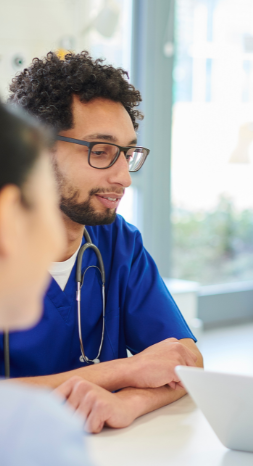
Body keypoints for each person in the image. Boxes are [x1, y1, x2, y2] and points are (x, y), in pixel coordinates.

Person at [3, 51, 202, 433]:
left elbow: (187, 358)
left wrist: (128, 402)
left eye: (127, 153)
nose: (124, 178)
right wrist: (125, 371)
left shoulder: (117, 242)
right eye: (101, 151)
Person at [0, 103, 92, 464]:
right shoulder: (30, 430)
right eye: (44, 207)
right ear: (9, 221)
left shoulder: (121, 241)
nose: (57, 241)